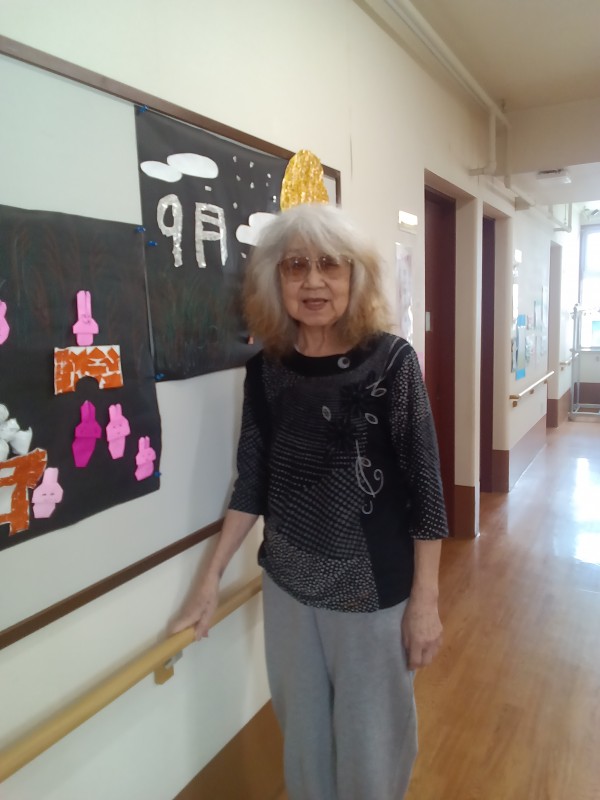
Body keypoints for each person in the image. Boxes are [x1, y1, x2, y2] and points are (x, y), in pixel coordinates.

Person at [171, 202, 448, 800]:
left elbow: (427, 490)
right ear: (276, 280)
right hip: (288, 586)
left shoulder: (392, 363)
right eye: (296, 266)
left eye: (330, 264)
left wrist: (425, 602)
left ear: (356, 276)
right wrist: (209, 578)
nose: (313, 281)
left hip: (371, 593)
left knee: (371, 751)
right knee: (303, 745)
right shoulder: (267, 371)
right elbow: (252, 481)